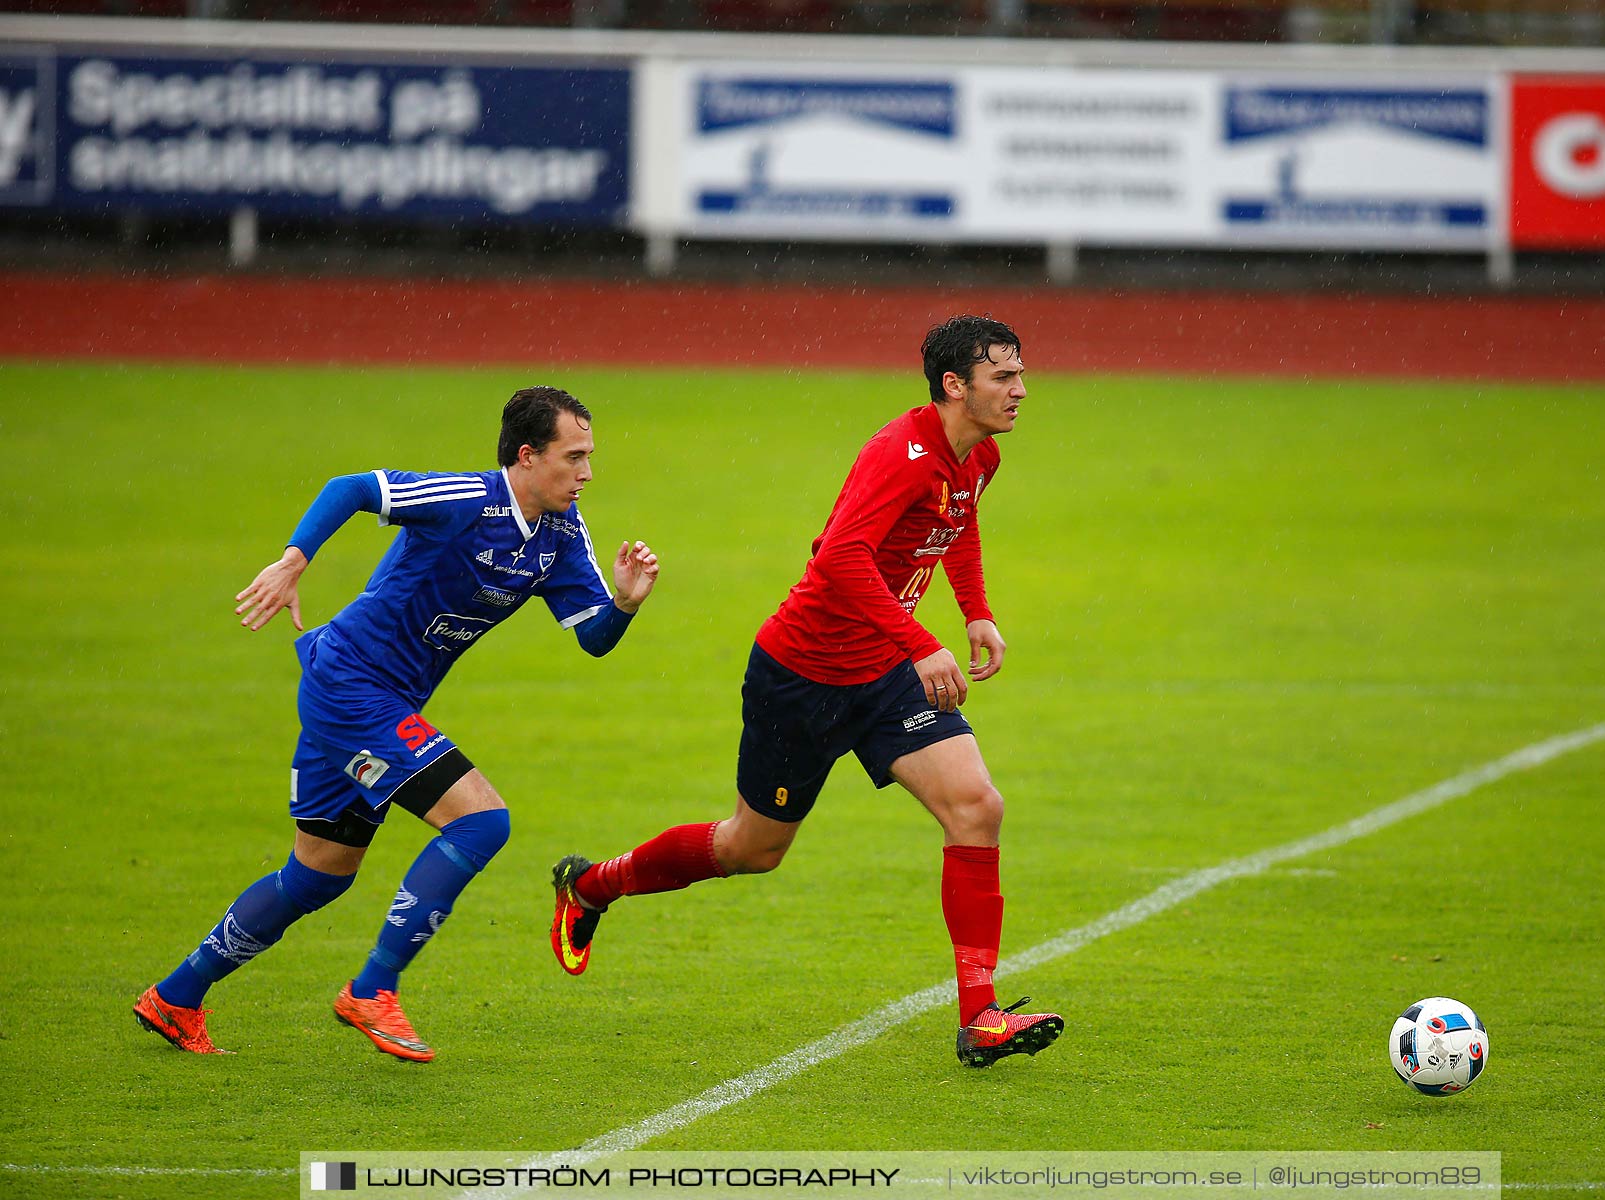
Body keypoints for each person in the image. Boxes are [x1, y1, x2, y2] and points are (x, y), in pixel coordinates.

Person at [549, 316, 1062, 1068]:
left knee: (977, 807)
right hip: (803, 675)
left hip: (883, 669)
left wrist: (976, 609)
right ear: (956, 386)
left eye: (1020, 374)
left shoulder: (976, 456)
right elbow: (838, 561)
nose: (1021, 390)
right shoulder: (902, 454)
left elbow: (959, 524)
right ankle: (593, 885)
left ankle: (980, 1016)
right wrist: (923, 642)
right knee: (752, 849)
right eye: (1004, 378)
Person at [133, 386, 659, 1062]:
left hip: (375, 701)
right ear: (527, 457)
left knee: (319, 875)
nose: (586, 473)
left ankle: (176, 997)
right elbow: (352, 487)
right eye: (574, 457)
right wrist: (294, 561)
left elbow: (593, 636)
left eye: (589, 458)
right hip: (351, 687)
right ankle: (372, 989)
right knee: (482, 820)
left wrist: (623, 602)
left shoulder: (561, 534)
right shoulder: (466, 500)